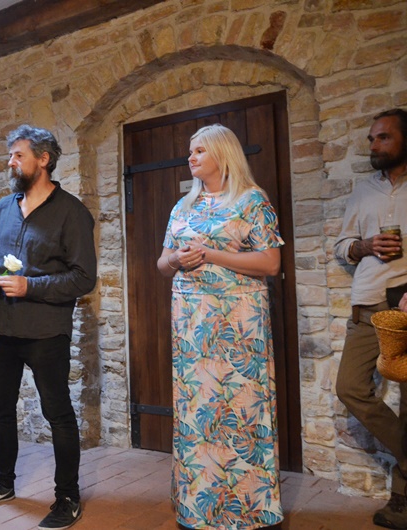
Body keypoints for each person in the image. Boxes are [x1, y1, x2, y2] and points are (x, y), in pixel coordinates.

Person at [0, 125, 97, 530]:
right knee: (0, 410)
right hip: (1, 327)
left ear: (43, 159)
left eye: (18, 155)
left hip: (45, 332)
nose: (10, 162)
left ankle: (67, 496)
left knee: (58, 413)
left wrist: (30, 286)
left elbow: (83, 278)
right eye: (10, 155)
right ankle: (2, 483)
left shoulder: (72, 212)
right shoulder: (3, 208)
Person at [156, 124, 284, 529]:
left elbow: (270, 263)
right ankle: (198, 508)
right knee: (200, 410)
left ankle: (250, 510)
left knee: (242, 409)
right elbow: (162, 265)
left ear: (222, 154)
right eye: (190, 151)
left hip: (239, 323)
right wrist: (177, 260)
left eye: (199, 151)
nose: (190, 157)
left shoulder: (252, 200)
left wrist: (211, 254)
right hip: (191, 324)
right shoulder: (182, 206)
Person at [335, 108, 407, 530]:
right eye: (371, 138)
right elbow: (341, 245)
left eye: (383, 137)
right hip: (366, 307)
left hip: (404, 309)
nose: (374, 145)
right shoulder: (363, 191)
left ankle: (401, 502)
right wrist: (364, 246)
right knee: (349, 387)